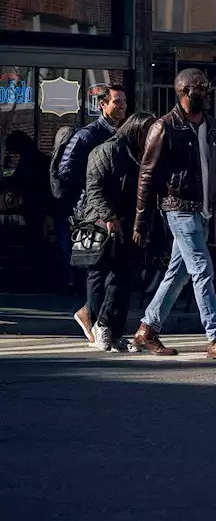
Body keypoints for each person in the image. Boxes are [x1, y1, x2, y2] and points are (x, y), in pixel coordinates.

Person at [132, 69, 216, 360]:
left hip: (203, 212)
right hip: (178, 209)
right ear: (184, 91)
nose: (207, 91)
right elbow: (146, 177)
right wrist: (142, 221)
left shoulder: (212, 126)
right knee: (202, 270)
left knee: (179, 274)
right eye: (201, 87)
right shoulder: (164, 127)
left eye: (207, 85)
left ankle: (147, 329)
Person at [54, 84, 127, 340]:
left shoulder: (122, 133)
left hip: (115, 208)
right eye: (116, 102)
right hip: (92, 209)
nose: (121, 107)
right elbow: (65, 171)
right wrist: (91, 184)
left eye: (123, 102)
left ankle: (94, 315)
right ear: (103, 105)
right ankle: (95, 320)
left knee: (114, 267)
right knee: (97, 267)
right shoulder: (88, 135)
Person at [81, 112, 155, 352]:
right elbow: (94, 187)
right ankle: (98, 326)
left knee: (125, 276)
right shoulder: (108, 150)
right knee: (99, 275)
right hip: (101, 222)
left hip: (128, 221)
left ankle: (114, 329)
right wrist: (109, 217)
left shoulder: (142, 154)